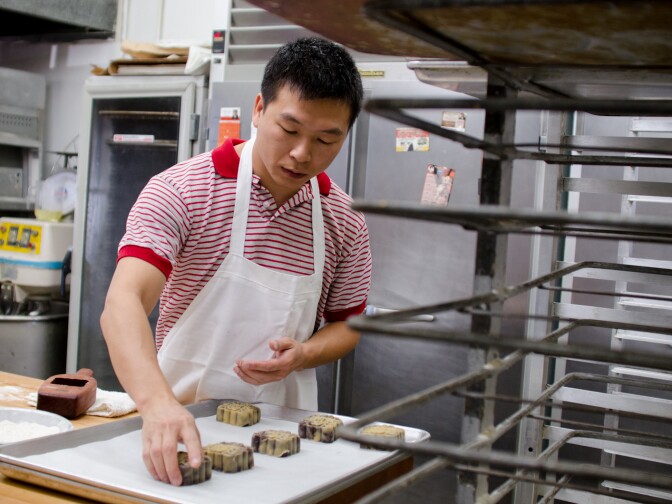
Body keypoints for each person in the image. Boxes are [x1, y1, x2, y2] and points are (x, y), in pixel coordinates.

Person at [100, 37, 372, 486]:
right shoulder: (183, 190)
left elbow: (349, 325)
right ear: (259, 108)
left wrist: (303, 354)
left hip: (286, 443)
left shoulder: (345, 221)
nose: (304, 153)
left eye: (327, 138)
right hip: (174, 427)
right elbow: (123, 301)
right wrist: (156, 405)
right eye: (290, 129)